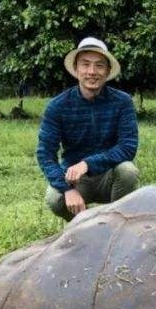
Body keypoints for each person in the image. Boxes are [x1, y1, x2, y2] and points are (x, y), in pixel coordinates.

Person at [36, 37, 140, 221]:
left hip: (109, 174)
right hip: (75, 178)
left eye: (99, 66)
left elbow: (128, 147)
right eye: (85, 65)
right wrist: (67, 189)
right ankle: (87, 223)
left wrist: (87, 164)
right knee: (55, 199)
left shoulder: (122, 102)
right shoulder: (57, 106)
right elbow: (45, 153)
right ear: (76, 69)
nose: (92, 72)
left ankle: (116, 223)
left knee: (128, 171)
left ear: (108, 71)